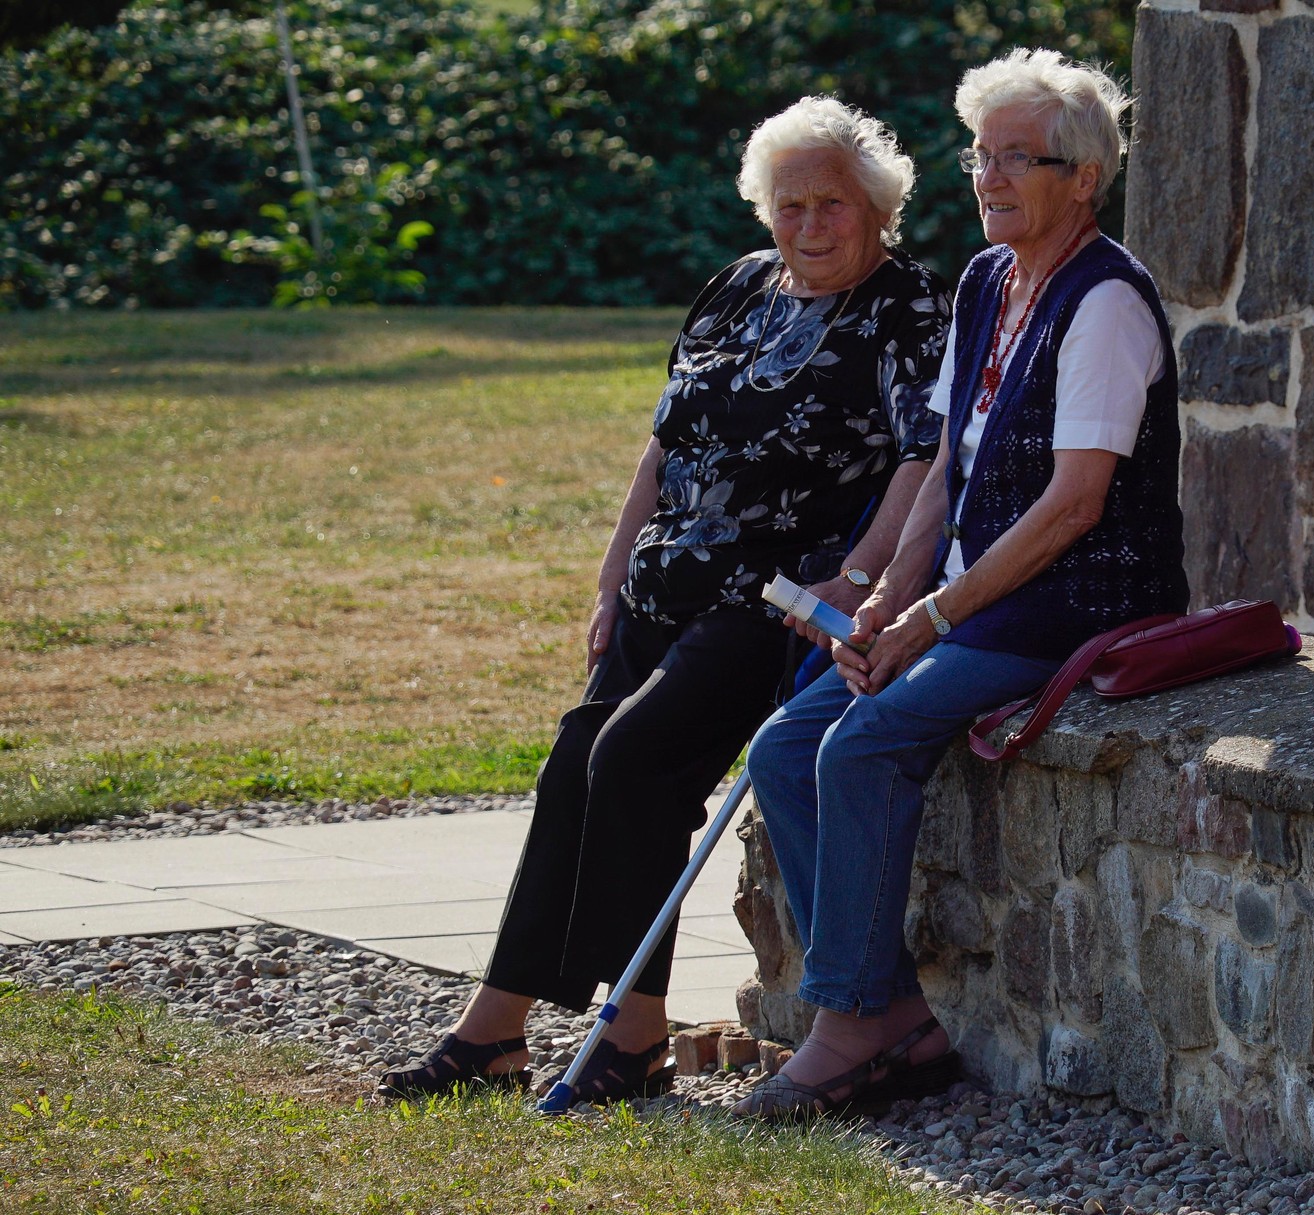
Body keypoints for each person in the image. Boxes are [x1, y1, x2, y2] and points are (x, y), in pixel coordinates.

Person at [375, 96, 951, 1103]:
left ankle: (633, 1033)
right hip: (661, 580)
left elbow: (921, 456)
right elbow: (666, 440)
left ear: (877, 209)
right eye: (790, 205)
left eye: (832, 205)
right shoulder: (734, 290)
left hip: (771, 598)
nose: (810, 225)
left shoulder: (906, 308)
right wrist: (610, 575)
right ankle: (496, 1030)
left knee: (633, 758)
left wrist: (855, 576)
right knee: (573, 767)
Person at [733, 49, 1187, 1120]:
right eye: (979, 156)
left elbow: (1073, 506)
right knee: (785, 745)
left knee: (859, 743)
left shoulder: (1106, 302)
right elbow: (946, 464)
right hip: (969, 596)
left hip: (1071, 605)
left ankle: (845, 1022)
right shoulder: (988, 280)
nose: (987, 179)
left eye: (1015, 160)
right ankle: (887, 1012)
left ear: (1082, 178)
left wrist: (932, 613)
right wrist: (887, 597)